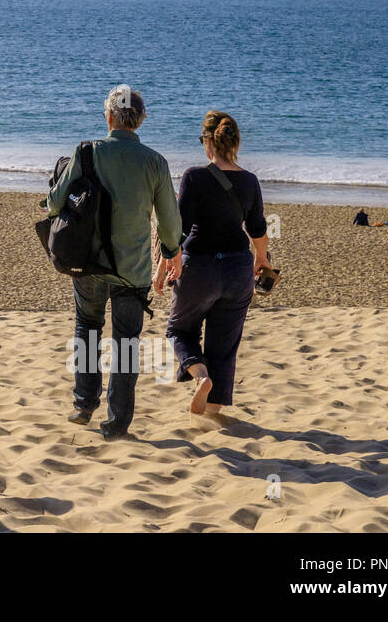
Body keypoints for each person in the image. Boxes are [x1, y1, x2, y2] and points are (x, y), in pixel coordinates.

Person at [46, 85, 182, 440]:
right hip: (132, 271)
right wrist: (171, 254)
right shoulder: (155, 162)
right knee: (126, 342)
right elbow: (170, 223)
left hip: (89, 264)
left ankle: (83, 403)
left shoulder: (86, 152)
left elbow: (55, 203)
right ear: (141, 121)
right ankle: (117, 422)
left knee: (87, 327)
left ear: (108, 117)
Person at [158, 111, 269, 417]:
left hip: (199, 268)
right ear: (236, 142)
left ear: (208, 142)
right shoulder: (249, 180)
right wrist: (261, 259)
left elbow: (176, 230)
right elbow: (258, 229)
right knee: (224, 346)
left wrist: (164, 266)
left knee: (180, 332)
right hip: (238, 269)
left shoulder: (194, 176)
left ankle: (201, 377)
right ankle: (213, 415)